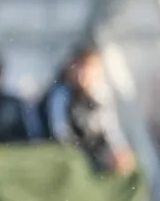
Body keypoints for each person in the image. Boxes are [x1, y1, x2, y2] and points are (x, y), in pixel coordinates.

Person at [41, 45, 135, 174]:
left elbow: (110, 128)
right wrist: (92, 155)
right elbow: (61, 134)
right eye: (84, 68)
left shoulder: (102, 94)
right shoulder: (61, 94)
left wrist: (119, 150)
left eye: (93, 69)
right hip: (71, 154)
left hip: (93, 150)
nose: (87, 74)